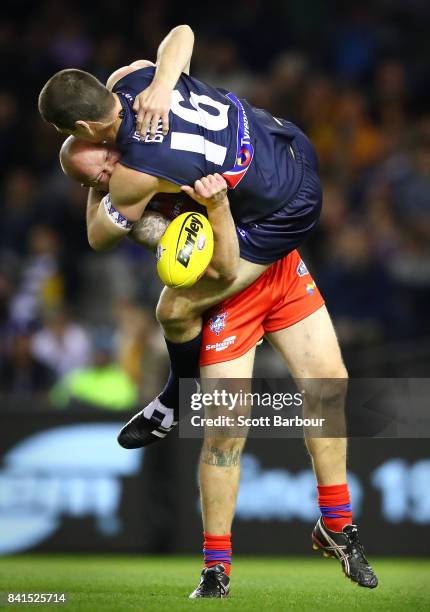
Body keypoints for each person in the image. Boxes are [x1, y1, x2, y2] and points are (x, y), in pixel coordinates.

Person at [60, 142, 378, 595]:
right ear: (93, 188)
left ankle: (337, 526)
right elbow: (224, 266)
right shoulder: (130, 206)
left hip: (279, 267)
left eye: (107, 161)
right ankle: (216, 568)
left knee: (329, 389)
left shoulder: (157, 141)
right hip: (228, 289)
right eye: (97, 179)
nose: (110, 172)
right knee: (226, 432)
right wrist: (219, 205)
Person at [38, 24, 323, 449]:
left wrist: (97, 183)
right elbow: (184, 33)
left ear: (81, 125)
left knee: (173, 309)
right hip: (286, 140)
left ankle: (175, 400)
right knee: (183, 205)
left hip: (286, 207)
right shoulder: (135, 78)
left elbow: (99, 238)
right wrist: (163, 83)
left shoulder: (134, 174)